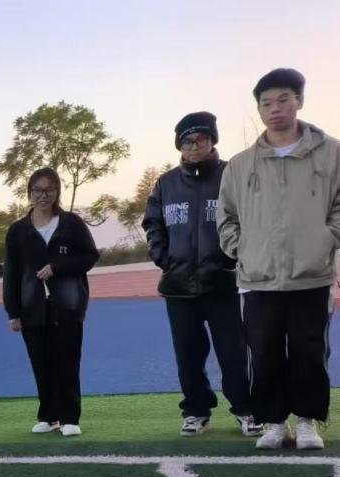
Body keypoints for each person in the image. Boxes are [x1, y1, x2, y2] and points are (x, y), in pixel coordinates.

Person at [218, 68, 340, 451]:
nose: (275, 109)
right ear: (259, 109)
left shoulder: (332, 153)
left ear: (299, 101)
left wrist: (325, 240)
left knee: (310, 351)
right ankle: (273, 422)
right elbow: (226, 216)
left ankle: (307, 422)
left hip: (312, 275)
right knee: (263, 351)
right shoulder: (241, 164)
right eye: (266, 103)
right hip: (258, 278)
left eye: (284, 99)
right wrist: (242, 249)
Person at [143, 112, 261, 438]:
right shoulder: (165, 184)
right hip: (178, 287)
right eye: (187, 141)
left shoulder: (231, 176)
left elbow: (249, 219)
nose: (194, 147)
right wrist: (164, 259)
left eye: (201, 140)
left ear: (212, 141)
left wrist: (233, 259)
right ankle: (196, 411)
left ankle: (246, 409)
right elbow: (152, 223)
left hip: (223, 284)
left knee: (234, 354)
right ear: (179, 145)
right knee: (188, 356)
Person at [3, 168, 100, 436]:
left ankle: (70, 418)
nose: (43, 195)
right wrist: (13, 312)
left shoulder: (71, 224)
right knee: (41, 363)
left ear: (57, 192)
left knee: (67, 362)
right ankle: (49, 416)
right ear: (29, 193)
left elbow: (89, 257)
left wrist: (58, 267)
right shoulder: (18, 231)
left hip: (67, 306)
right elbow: (11, 273)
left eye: (49, 190)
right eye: (37, 190)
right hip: (31, 307)